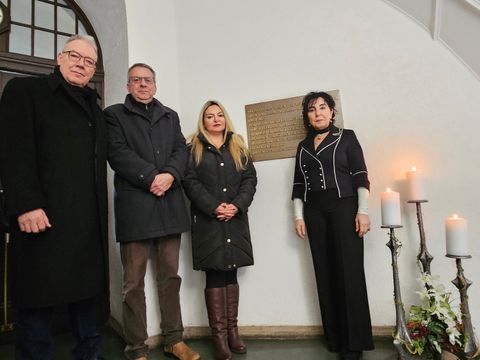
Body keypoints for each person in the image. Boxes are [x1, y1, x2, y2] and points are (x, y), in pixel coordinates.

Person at [0, 35, 108, 360]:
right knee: (37, 307)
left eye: (89, 62)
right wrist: (26, 204)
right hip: (41, 220)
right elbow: (13, 151)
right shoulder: (24, 91)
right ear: (59, 58)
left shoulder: (95, 107)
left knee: (87, 306)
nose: (81, 64)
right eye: (75, 56)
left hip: (86, 227)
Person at [104, 63, 200, 360]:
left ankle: (174, 339)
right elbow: (118, 154)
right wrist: (151, 177)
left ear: (155, 85)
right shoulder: (114, 115)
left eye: (147, 80)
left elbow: (180, 151)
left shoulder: (170, 116)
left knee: (170, 277)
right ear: (128, 86)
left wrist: (170, 174)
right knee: (133, 283)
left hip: (169, 207)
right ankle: (137, 348)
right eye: (136, 80)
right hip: (136, 210)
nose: (143, 85)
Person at [291, 91, 374, 360]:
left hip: (344, 206)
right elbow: (298, 185)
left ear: (332, 111)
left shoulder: (346, 137)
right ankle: (336, 338)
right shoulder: (303, 146)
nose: (318, 113)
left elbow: (361, 175)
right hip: (314, 211)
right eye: (312, 109)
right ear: (307, 115)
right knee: (324, 273)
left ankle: (355, 343)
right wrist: (298, 216)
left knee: (348, 273)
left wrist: (362, 211)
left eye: (323, 108)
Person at [183, 101, 257, 360]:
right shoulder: (193, 148)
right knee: (215, 274)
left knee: (231, 273)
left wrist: (236, 206)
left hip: (234, 220)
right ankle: (219, 338)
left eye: (219, 115)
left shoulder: (239, 146)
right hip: (207, 222)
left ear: (225, 119)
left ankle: (233, 331)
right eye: (209, 116)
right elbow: (189, 182)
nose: (215, 120)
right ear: (202, 122)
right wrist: (214, 207)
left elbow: (250, 180)